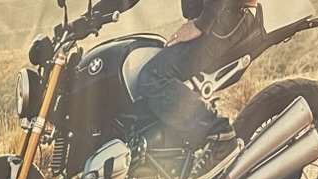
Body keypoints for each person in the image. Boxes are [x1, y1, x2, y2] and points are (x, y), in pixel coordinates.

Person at [86, 0, 264, 168]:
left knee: (153, 77)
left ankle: (218, 133)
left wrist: (202, 23)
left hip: (227, 17)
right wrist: (92, 16)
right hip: (216, 18)